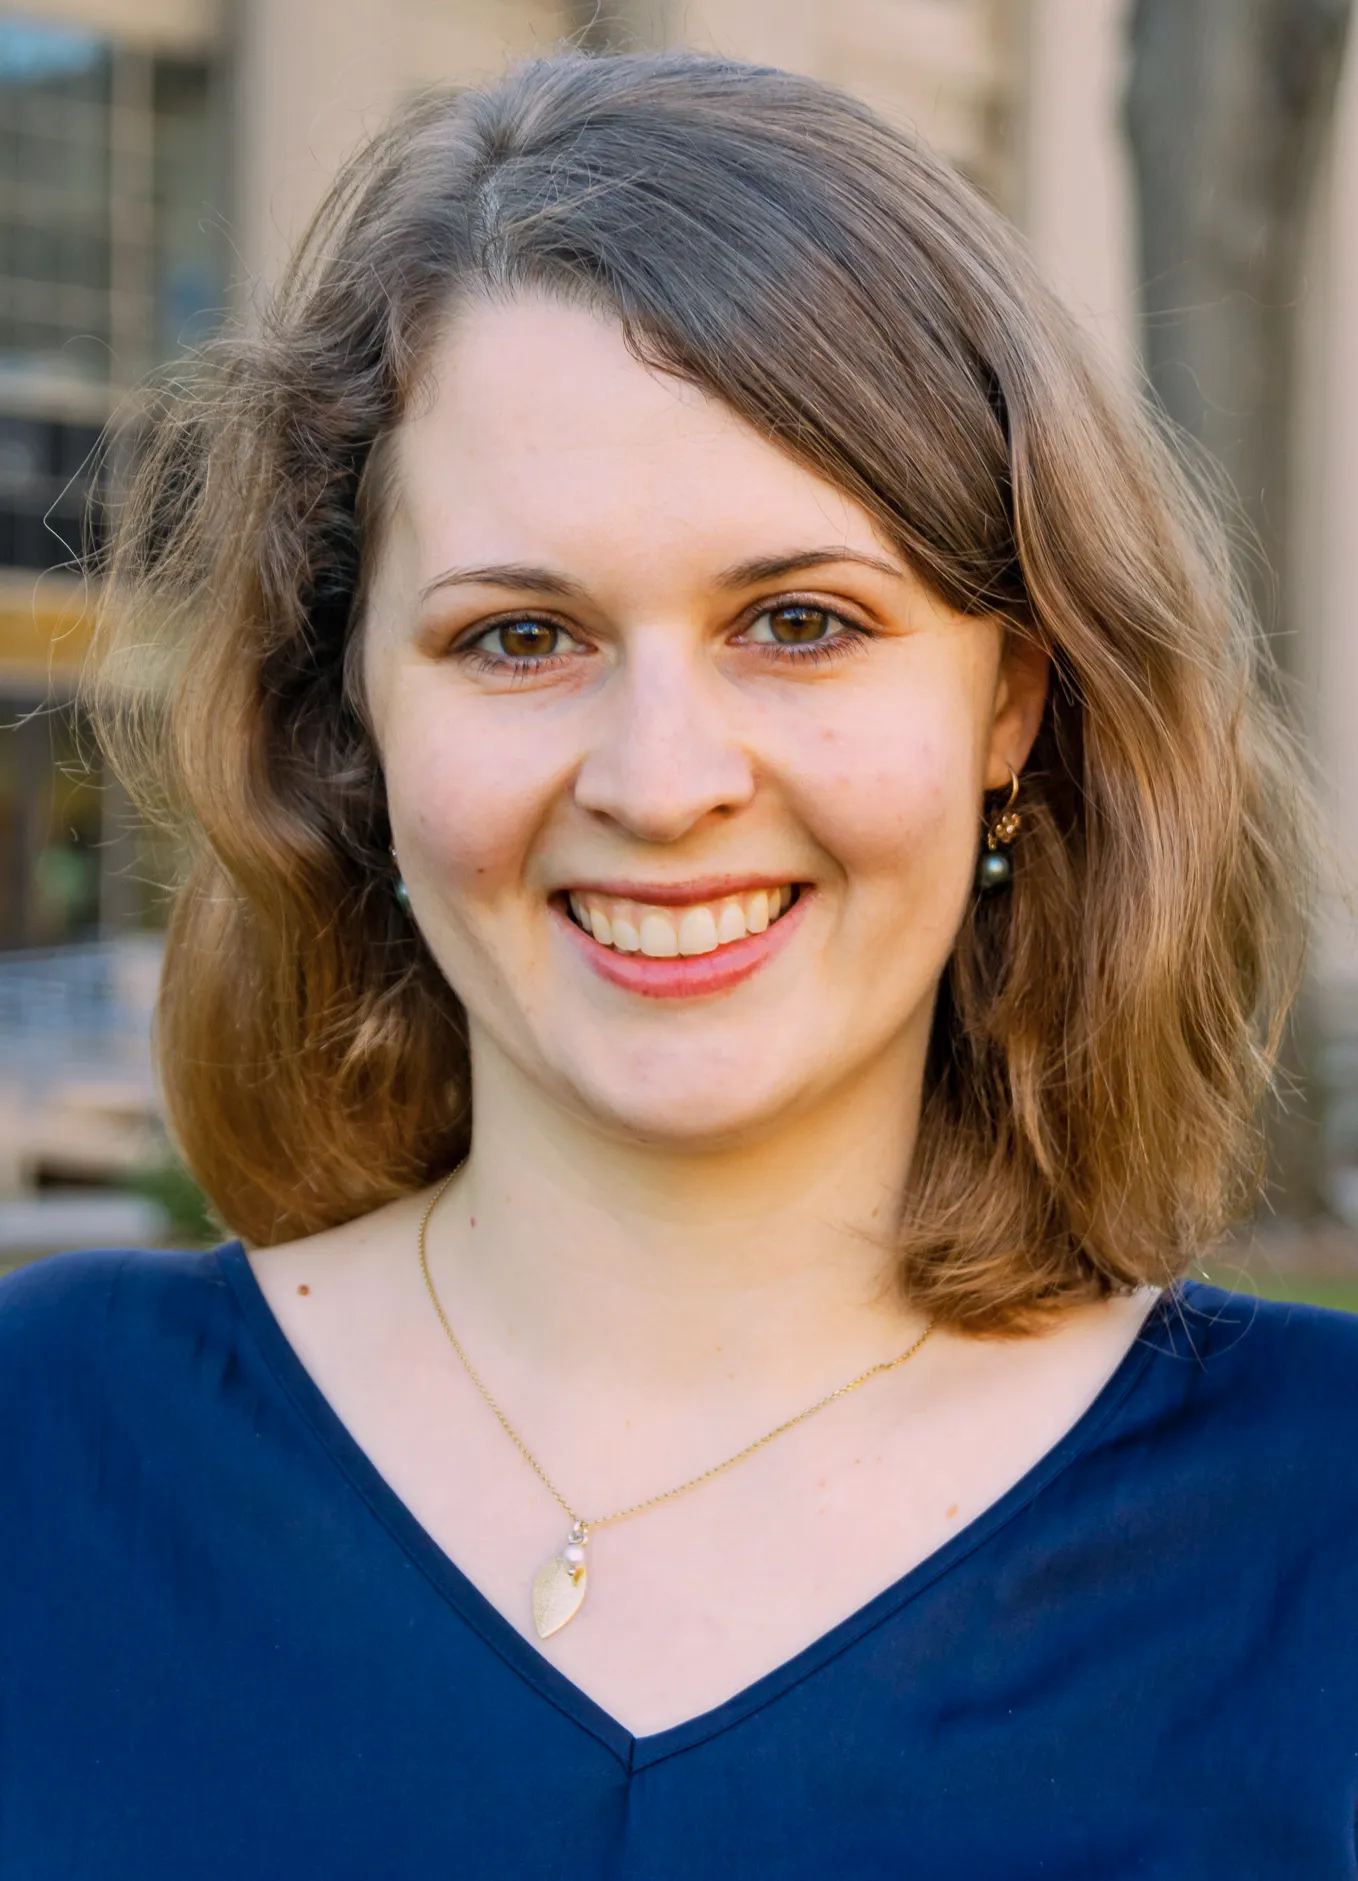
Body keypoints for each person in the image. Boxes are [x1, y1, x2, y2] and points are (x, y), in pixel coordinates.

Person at [1, 49, 1353, 1878]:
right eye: (520, 636)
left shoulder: (1316, 1531)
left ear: (1008, 706)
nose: (660, 783)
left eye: (799, 623)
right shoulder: (47, 1455)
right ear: (353, 725)